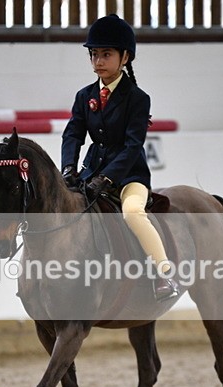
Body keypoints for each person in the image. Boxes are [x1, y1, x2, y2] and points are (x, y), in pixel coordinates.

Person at [61, 14, 179, 302]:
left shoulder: (138, 98)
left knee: (133, 214)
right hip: (91, 174)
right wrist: (68, 168)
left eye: (106, 54)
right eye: (94, 54)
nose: (98, 61)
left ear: (125, 57)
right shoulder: (84, 96)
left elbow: (132, 145)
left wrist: (108, 176)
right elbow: (73, 134)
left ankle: (163, 273)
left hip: (129, 177)